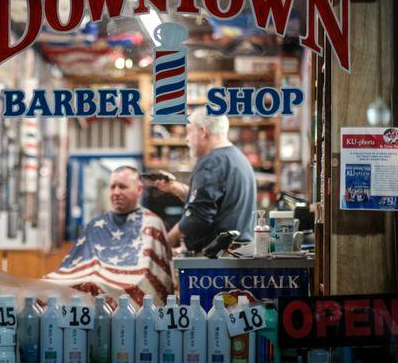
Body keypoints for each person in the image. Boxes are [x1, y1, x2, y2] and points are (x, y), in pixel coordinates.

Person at [45, 166, 173, 307]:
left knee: (91, 285)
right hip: (90, 282)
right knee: (45, 287)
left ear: (139, 189)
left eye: (122, 187)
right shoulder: (96, 224)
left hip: (129, 286)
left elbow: (149, 276)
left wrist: (100, 281)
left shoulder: (151, 223)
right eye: (113, 187)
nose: (116, 192)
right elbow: (71, 267)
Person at [153, 107, 257, 253]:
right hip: (237, 254)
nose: (186, 139)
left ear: (202, 131)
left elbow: (198, 216)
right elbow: (212, 203)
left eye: (189, 131)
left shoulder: (211, 163)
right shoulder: (236, 157)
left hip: (217, 262)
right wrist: (177, 188)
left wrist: (166, 243)